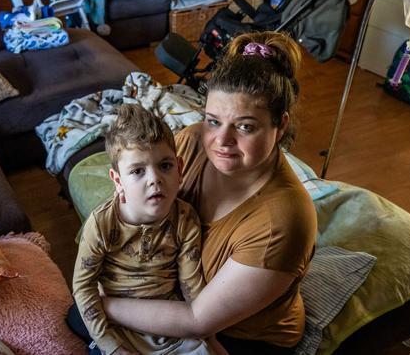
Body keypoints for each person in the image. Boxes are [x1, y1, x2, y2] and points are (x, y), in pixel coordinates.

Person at [100, 31, 317, 355]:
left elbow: (199, 320)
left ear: (280, 125)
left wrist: (101, 303)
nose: (222, 141)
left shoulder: (283, 221)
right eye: (214, 121)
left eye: (245, 126)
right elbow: (129, 209)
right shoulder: (191, 142)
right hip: (174, 292)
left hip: (245, 337)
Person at [71, 104, 216, 355]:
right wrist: (112, 347)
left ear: (180, 169)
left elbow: (192, 286)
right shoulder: (102, 224)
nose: (154, 179)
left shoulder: (185, 217)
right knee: (80, 321)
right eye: (137, 171)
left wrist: (209, 337)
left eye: (165, 166)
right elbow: (83, 287)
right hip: (118, 327)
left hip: (168, 322)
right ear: (118, 181)